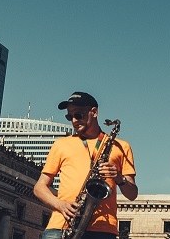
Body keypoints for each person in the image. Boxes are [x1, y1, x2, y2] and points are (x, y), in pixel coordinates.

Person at [34, 91, 138, 239]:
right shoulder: (61, 144)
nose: (74, 120)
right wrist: (60, 205)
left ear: (94, 112)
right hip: (61, 227)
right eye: (70, 117)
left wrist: (119, 178)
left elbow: (132, 194)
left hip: (103, 229)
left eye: (79, 115)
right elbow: (39, 187)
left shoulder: (121, 146)